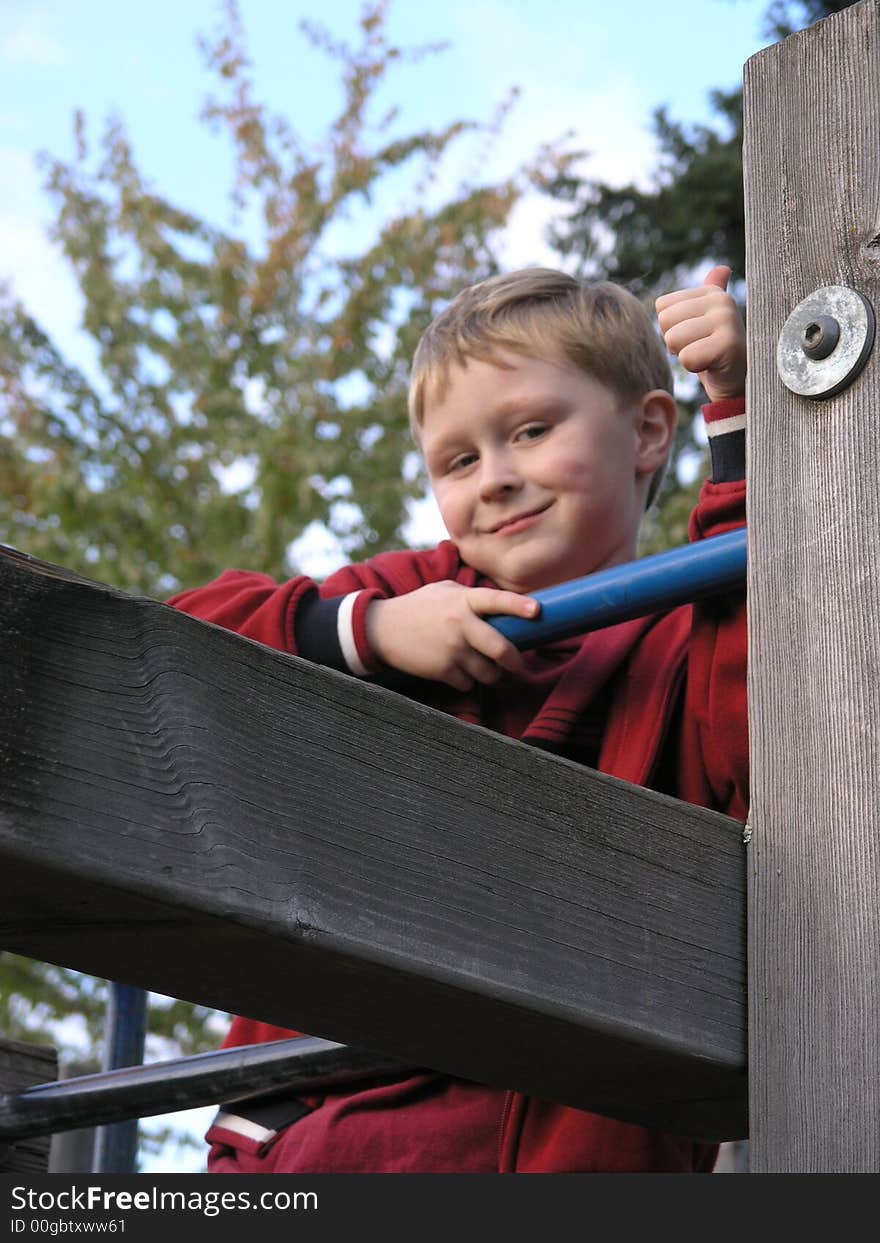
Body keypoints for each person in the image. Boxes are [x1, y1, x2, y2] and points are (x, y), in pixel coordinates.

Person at [168, 264, 748, 1173]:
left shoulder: (683, 635)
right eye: (460, 460)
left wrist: (741, 421)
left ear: (645, 430)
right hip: (332, 1127)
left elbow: (764, 690)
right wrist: (374, 631)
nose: (498, 479)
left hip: (573, 1127)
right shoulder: (419, 595)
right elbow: (174, 636)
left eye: (531, 430)